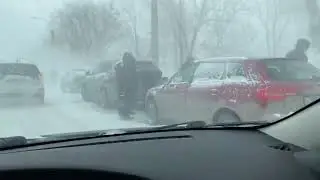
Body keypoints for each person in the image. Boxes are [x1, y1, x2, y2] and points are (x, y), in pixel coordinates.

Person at [115, 52, 138, 119]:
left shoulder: (123, 65)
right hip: (125, 86)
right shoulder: (124, 66)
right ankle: (124, 114)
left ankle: (125, 112)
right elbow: (124, 77)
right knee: (125, 100)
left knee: (126, 100)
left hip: (126, 86)